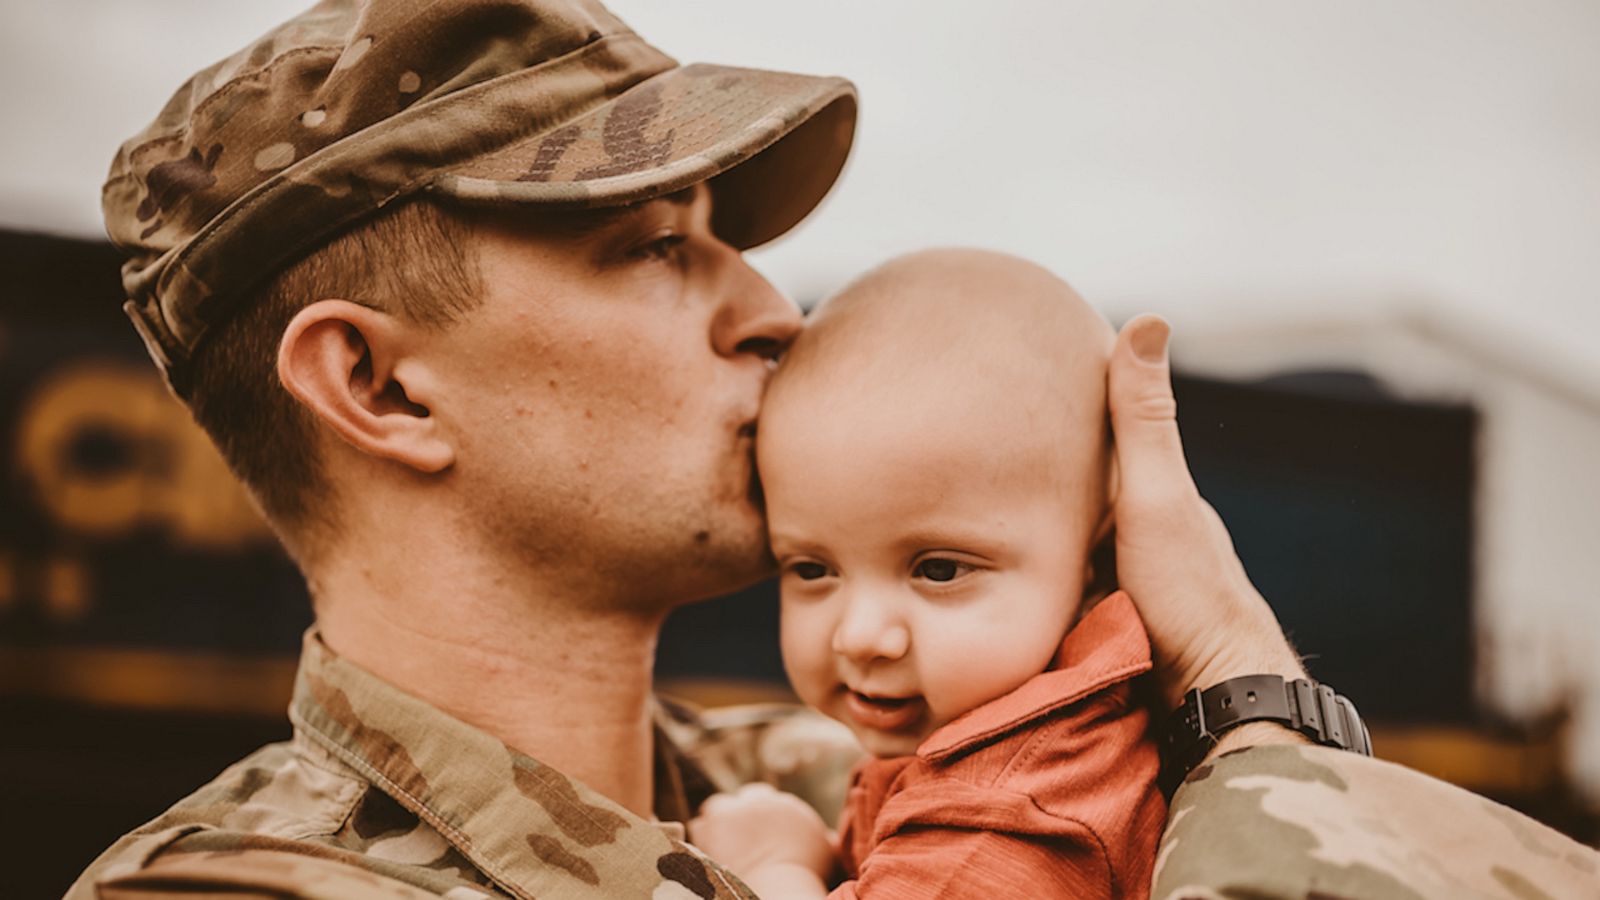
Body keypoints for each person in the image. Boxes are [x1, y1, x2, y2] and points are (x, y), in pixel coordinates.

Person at [68, 0, 1600, 897]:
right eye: (655, 249)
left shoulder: (859, 772)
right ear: (380, 388)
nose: (773, 307)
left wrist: (1235, 680)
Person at [689, 248, 1166, 899]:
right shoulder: (1025, 742)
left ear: (1094, 561)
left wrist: (777, 866)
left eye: (938, 569)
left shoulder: (1003, 818)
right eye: (811, 568)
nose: (859, 635)